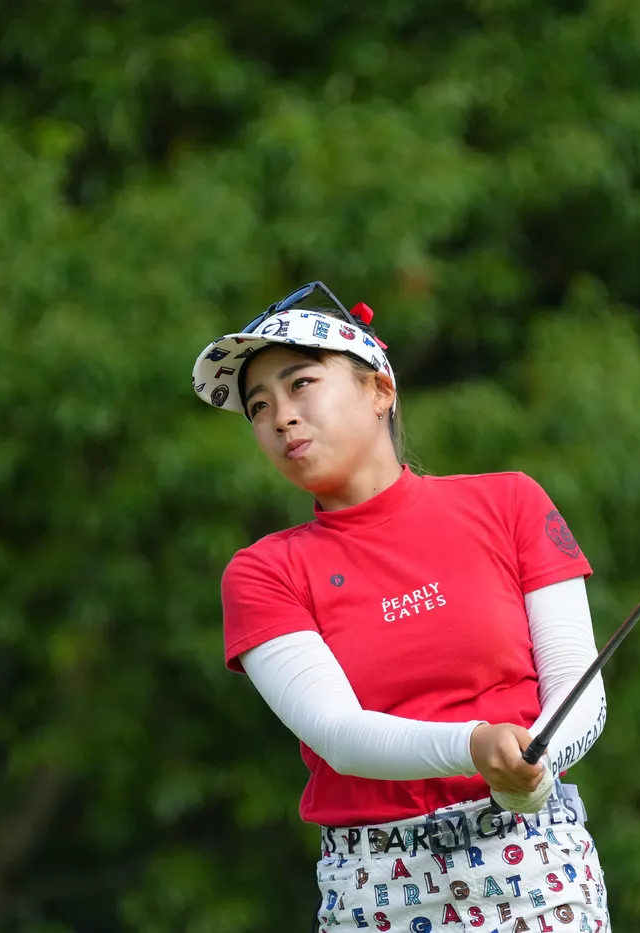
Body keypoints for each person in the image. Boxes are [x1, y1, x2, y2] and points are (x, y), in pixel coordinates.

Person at [192, 282, 612, 932]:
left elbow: (580, 686)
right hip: (378, 885)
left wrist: (536, 763)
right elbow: (340, 736)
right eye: (259, 406)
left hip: (538, 867)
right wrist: (477, 745)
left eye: (301, 384)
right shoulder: (263, 572)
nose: (280, 417)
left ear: (380, 390)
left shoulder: (510, 503)